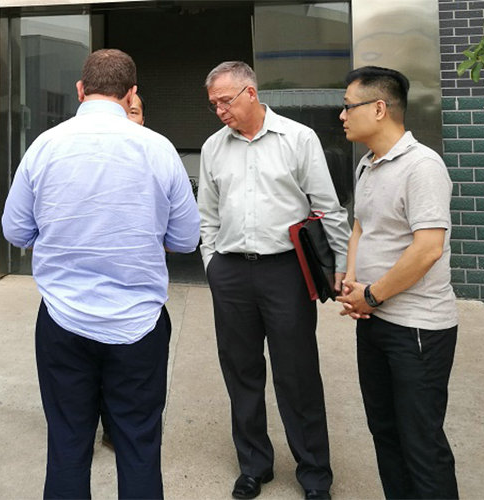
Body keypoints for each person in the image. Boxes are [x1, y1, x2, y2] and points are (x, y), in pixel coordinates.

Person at [1, 49, 199, 499]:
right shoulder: (159, 149)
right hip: (139, 323)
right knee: (139, 445)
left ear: (80, 89)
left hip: (63, 319)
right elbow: (187, 238)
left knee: (67, 444)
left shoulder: (45, 146)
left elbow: (15, 230)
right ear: (131, 93)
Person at [198, 61, 349, 500]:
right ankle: (254, 466)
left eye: (225, 101)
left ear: (250, 92)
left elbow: (327, 207)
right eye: (213, 104)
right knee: (241, 371)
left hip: (286, 271)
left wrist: (341, 267)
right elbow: (207, 213)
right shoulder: (213, 147)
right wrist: (211, 263)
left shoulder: (298, 138)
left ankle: (314, 473)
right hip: (230, 271)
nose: (220, 111)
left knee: (297, 373)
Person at [337, 66, 459, 499]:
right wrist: (352, 282)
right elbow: (361, 227)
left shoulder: (423, 166)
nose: (342, 116)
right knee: (385, 432)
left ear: (379, 108)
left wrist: (371, 295)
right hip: (374, 322)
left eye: (348, 106)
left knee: (421, 443)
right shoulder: (367, 165)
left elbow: (428, 249)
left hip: (417, 327)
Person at [99, 91, 146, 452]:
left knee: (127, 372)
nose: (129, 116)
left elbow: (182, 235)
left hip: (135, 295)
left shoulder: (155, 155)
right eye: (125, 110)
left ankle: (117, 428)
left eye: (135, 112)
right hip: (86, 296)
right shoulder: (87, 156)